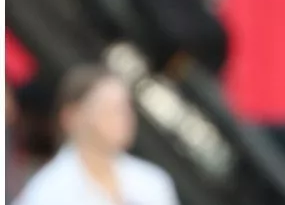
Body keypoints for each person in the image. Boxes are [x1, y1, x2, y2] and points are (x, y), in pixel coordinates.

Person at [13, 65, 179, 205]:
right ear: (72, 116)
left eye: (126, 108)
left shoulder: (153, 181)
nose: (125, 119)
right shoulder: (47, 192)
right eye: (110, 110)